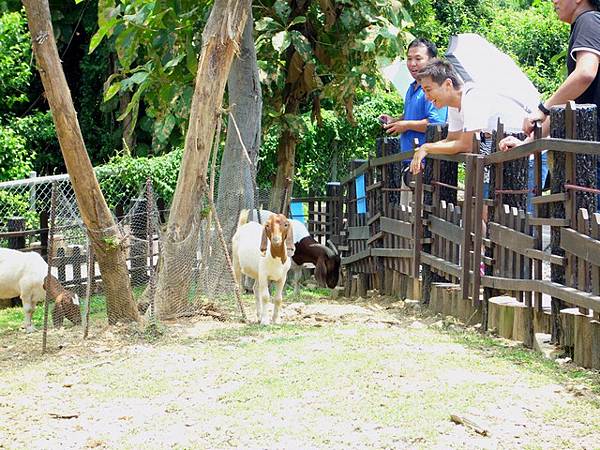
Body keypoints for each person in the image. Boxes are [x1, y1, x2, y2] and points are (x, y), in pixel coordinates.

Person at [499, 0, 600, 205]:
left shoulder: (589, 20)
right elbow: (568, 104)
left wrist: (544, 108)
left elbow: (585, 73)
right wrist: (527, 144)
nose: (553, 1)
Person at [409, 58, 530, 180]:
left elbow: (466, 145)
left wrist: (426, 148)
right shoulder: (454, 104)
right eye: (424, 91)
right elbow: (452, 139)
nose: (426, 97)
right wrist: (423, 150)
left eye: (428, 90)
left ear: (448, 84)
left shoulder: (473, 97)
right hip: (503, 153)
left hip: (525, 153)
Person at [379, 38, 447, 205]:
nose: (412, 63)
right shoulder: (412, 87)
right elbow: (411, 115)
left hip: (425, 164)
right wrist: (396, 120)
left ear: (431, 61)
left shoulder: (434, 88)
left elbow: (436, 124)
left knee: (419, 217)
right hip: (409, 161)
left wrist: (406, 125)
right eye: (409, 59)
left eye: (418, 58)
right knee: (407, 218)